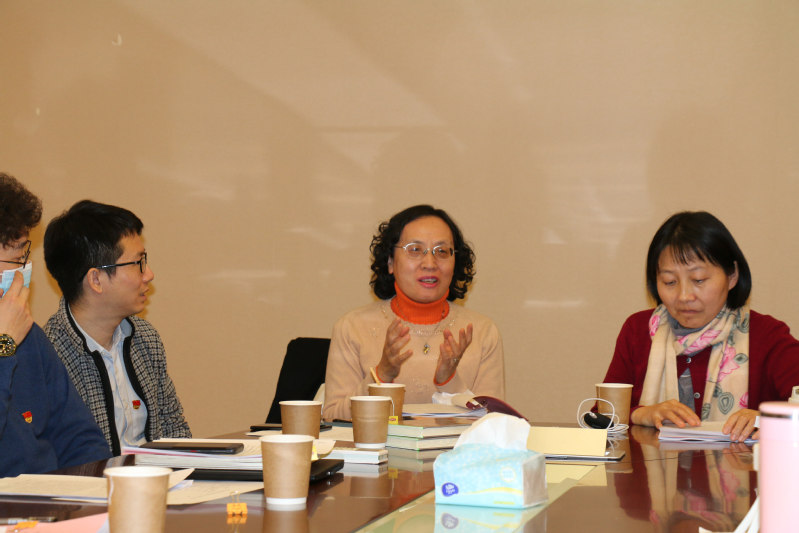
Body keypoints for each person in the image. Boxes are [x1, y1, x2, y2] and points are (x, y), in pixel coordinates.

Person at [603, 211, 799, 441]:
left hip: (743, 465)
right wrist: (641, 414)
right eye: (669, 282)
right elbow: (602, 416)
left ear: (732, 275)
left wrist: (767, 419)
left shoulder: (766, 335)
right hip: (650, 466)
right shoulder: (638, 330)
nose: (684, 296)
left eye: (698, 280)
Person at [323, 205, 505, 420]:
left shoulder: (481, 332)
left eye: (442, 251)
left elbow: (496, 425)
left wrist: (449, 382)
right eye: (415, 250)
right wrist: (381, 376)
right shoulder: (352, 327)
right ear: (390, 262)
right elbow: (332, 417)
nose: (430, 264)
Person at [43, 200, 191, 456]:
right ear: (96, 279)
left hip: (157, 478)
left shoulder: (145, 338)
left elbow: (175, 432)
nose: (149, 274)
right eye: (138, 263)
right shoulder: (49, 356)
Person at [0, 173, 110, 475]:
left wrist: (97, 492)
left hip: (50, 498)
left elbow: (79, 436)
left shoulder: (28, 335)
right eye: (18, 256)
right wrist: (4, 344)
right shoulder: (12, 333)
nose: (24, 268)